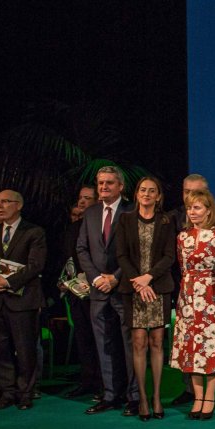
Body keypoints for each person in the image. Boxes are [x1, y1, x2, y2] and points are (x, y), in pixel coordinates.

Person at [0, 190, 47, 411]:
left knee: (25, 350)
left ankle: (25, 393)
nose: (0, 206)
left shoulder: (34, 232)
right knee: (0, 350)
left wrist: (7, 283)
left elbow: (35, 266)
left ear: (18, 205)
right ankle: (7, 392)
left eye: (5, 202)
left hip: (22, 301)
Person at [114, 176, 175, 420]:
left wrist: (149, 277)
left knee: (157, 342)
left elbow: (170, 256)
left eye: (152, 191)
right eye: (142, 190)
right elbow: (121, 255)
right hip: (134, 289)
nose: (147, 194)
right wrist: (139, 283)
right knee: (138, 341)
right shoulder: (126, 219)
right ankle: (142, 399)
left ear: (158, 196)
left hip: (158, 287)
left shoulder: (166, 220)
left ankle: (158, 397)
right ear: (136, 194)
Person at [78, 166, 138, 416]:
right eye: (100, 183)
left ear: (120, 187)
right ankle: (111, 395)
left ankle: (134, 397)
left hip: (123, 288)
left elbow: (136, 251)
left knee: (129, 344)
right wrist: (96, 279)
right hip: (98, 291)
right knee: (104, 344)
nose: (103, 187)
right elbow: (82, 248)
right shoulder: (90, 213)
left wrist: (115, 278)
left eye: (109, 183)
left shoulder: (131, 211)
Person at [170, 187, 215, 420]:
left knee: (211, 347)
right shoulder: (182, 237)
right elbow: (181, 267)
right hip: (187, 298)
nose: (192, 212)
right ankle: (197, 397)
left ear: (208, 211)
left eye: (197, 207)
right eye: (189, 208)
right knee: (192, 348)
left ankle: (210, 397)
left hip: (211, 297)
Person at [60, 186, 103, 400]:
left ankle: (105, 384)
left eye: (87, 198)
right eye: (80, 198)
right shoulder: (73, 228)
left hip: (100, 290)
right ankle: (87, 381)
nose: (82, 202)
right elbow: (67, 259)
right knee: (83, 338)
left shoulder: (102, 226)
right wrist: (64, 281)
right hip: (77, 293)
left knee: (101, 340)